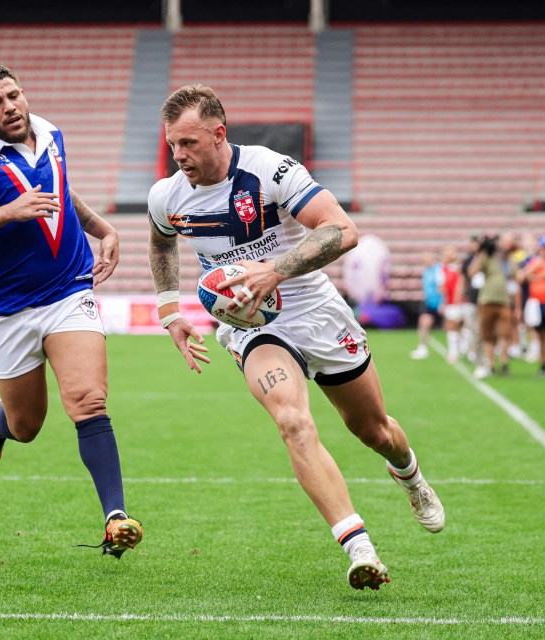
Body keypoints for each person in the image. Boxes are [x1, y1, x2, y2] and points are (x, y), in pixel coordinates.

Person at [146, 84, 444, 591]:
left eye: (189, 143)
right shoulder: (167, 195)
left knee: (374, 430)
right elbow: (160, 242)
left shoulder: (269, 169)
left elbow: (341, 230)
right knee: (292, 420)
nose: (179, 156)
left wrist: (275, 271)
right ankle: (359, 548)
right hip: (254, 328)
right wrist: (170, 311)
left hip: (317, 312)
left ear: (219, 134)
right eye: (173, 144)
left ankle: (410, 475)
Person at [0, 64, 141, 558]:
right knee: (26, 426)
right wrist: (9, 210)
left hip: (70, 290)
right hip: (10, 309)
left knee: (89, 400)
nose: (9, 106)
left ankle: (115, 517)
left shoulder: (50, 135)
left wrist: (103, 230)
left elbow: (60, 190)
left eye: (14, 95)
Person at [467, 233, 516, 378]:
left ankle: (504, 363)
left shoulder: (508, 259)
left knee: (505, 333)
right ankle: (491, 364)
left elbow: (515, 275)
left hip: (504, 300)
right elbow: (472, 272)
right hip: (486, 300)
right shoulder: (487, 257)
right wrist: (480, 253)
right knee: (487, 334)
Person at [519, 235, 545, 376]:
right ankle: (543, 365)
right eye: (543, 247)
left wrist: (537, 276)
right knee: (541, 336)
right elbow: (522, 276)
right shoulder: (535, 262)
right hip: (538, 303)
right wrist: (536, 268)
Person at [410, 251, 444, 360]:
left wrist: (443, 302)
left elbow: (442, 286)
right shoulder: (426, 271)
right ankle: (422, 347)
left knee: (450, 326)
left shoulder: (439, 270)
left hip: (439, 301)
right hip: (429, 301)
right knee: (423, 323)